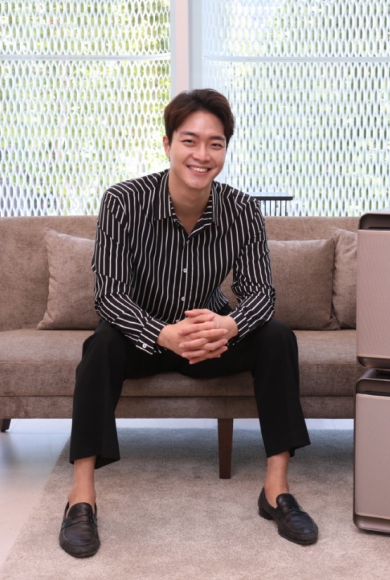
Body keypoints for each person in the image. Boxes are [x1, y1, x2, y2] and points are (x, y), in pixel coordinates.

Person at [59, 89, 318, 558]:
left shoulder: (242, 209)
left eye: (215, 144)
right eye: (190, 141)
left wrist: (227, 327)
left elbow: (262, 293)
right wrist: (164, 334)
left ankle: (276, 489)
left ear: (225, 150)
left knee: (277, 337)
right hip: (144, 337)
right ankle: (81, 497)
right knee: (100, 344)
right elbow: (110, 294)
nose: (202, 155)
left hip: (207, 338)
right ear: (168, 144)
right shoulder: (123, 201)